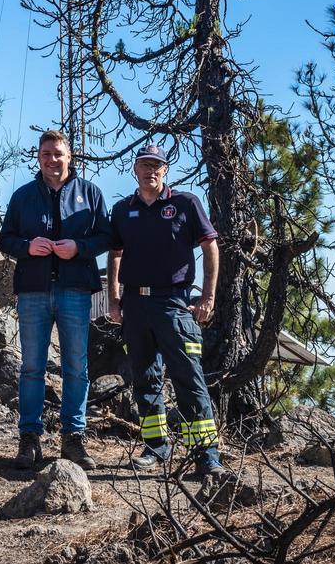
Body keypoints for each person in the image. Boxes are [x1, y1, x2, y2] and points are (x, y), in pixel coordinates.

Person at [0, 129, 112, 471]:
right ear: (39, 158)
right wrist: (26, 247)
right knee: (32, 367)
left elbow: (106, 236)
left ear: (69, 156)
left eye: (58, 154)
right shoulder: (23, 196)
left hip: (75, 291)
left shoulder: (90, 193)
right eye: (46, 154)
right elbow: (5, 239)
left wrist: (80, 247)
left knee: (77, 366)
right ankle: (29, 437)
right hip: (33, 291)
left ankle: (73, 438)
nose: (52, 160)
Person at [105, 145, 223, 476]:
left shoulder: (185, 203)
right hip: (135, 305)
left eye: (156, 165)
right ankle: (155, 448)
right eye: (145, 165)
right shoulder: (121, 209)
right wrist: (114, 299)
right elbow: (115, 253)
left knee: (189, 378)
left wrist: (208, 297)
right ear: (135, 169)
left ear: (165, 170)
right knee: (145, 380)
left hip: (174, 303)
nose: (150, 170)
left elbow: (210, 247)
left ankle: (206, 456)